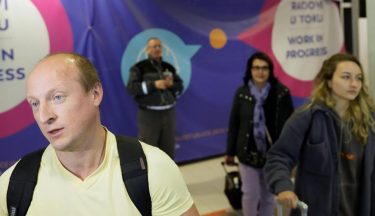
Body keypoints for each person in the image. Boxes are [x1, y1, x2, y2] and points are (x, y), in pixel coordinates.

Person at [0, 53, 199, 216]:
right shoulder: (13, 185)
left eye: (57, 97)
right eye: (35, 103)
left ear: (95, 94)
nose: (44, 116)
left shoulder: (153, 169)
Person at [264, 53, 375, 216]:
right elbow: (279, 156)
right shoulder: (307, 117)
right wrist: (283, 187)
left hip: (361, 207)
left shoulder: (371, 120)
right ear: (329, 81)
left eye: (359, 78)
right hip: (318, 210)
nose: (354, 84)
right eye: (346, 77)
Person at [224, 52, 294, 216]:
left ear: (270, 70)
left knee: (268, 196)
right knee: (250, 194)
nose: (260, 72)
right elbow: (234, 124)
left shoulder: (281, 93)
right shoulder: (242, 93)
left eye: (264, 68)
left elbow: (290, 125)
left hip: (272, 154)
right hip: (247, 153)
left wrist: (290, 153)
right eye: (256, 68)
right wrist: (229, 152)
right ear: (250, 70)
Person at [127, 37, 183, 159]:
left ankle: (168, 177)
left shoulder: (168, 67)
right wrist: (154, 85)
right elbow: (131, 88)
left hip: (169, 114)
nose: (157, 49)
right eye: (154, 46)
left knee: (169, 151)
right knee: (148, 152)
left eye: (159, 46)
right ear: (147, 49)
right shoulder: (139, 67)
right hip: (149, 115)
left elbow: (180, 86)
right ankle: (151, 178)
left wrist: (172, 85)